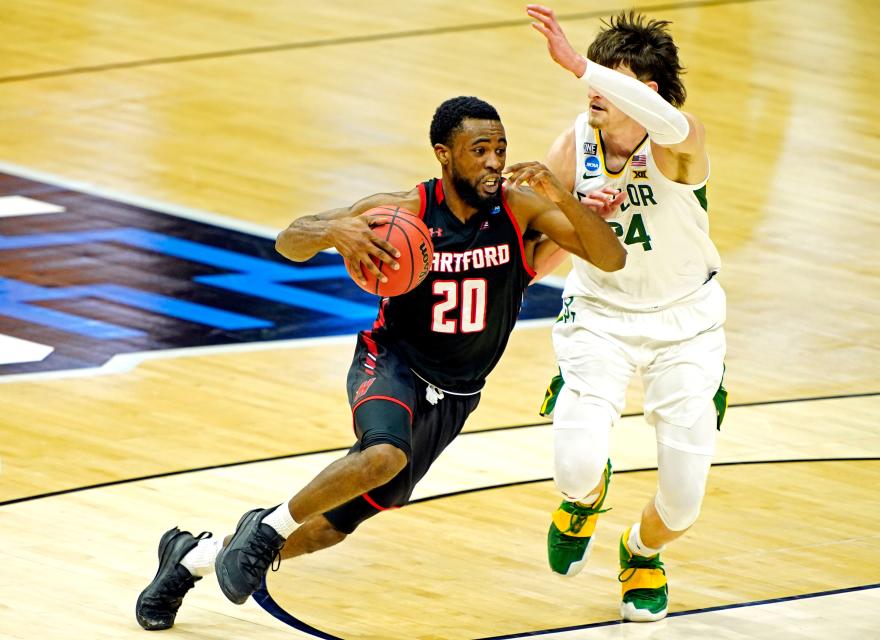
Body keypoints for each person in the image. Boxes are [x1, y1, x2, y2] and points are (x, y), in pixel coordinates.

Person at [134, 95, 625, 631]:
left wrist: (564, 198)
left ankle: (189, 558)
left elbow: (610, 257)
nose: (493, 161)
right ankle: (268, 528)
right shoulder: (405, 210)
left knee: (328, 529)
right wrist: (331, 230)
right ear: (444, 154)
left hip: (458, 393)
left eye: (500, 149)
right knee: (384, 455)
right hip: (391, 361)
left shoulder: (519, 207)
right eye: (479, 149)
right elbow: (288, 240)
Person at [524, 5, 728, 623]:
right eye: (592, 80)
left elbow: (669, 122)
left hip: (687, 324)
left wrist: (578, 60)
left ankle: (641, 551)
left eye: (608, 82)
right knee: (576, 465)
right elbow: (533, 264)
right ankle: (583, 505)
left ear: (648, 95)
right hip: (600, 316)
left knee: (685, 502)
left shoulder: (680, 142)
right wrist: (584, 218)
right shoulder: (572, 145)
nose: (592, 91)